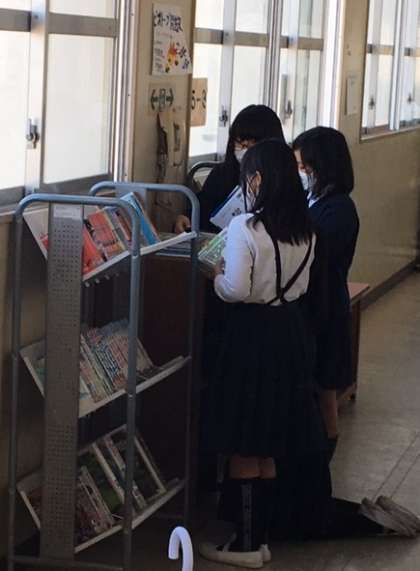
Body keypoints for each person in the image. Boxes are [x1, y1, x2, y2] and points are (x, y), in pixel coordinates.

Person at [199, 139, 327, 569]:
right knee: (269, 443)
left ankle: (246, 546)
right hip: (289, 334)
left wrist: (216, 278)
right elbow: (302, 286)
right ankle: (260, 538)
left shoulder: (246, 228)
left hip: (251, 337)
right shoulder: (306, 228)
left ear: (256, 179)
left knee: (242, 442)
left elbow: (235, 289)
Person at [292, 127, 359, 463]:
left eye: (304, 167)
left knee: (325, 391)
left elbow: (319, 257)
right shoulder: (311, 200)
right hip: (310, 306)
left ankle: (321, 461)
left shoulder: (339, 209)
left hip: (327, 309)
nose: (301, 173)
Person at [175, 104, 285, 233]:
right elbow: (202, 208)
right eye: (240, 144)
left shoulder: (284, 180)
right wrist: (185, 218)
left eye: (251, 145)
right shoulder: (222, 174)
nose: (244, 151)